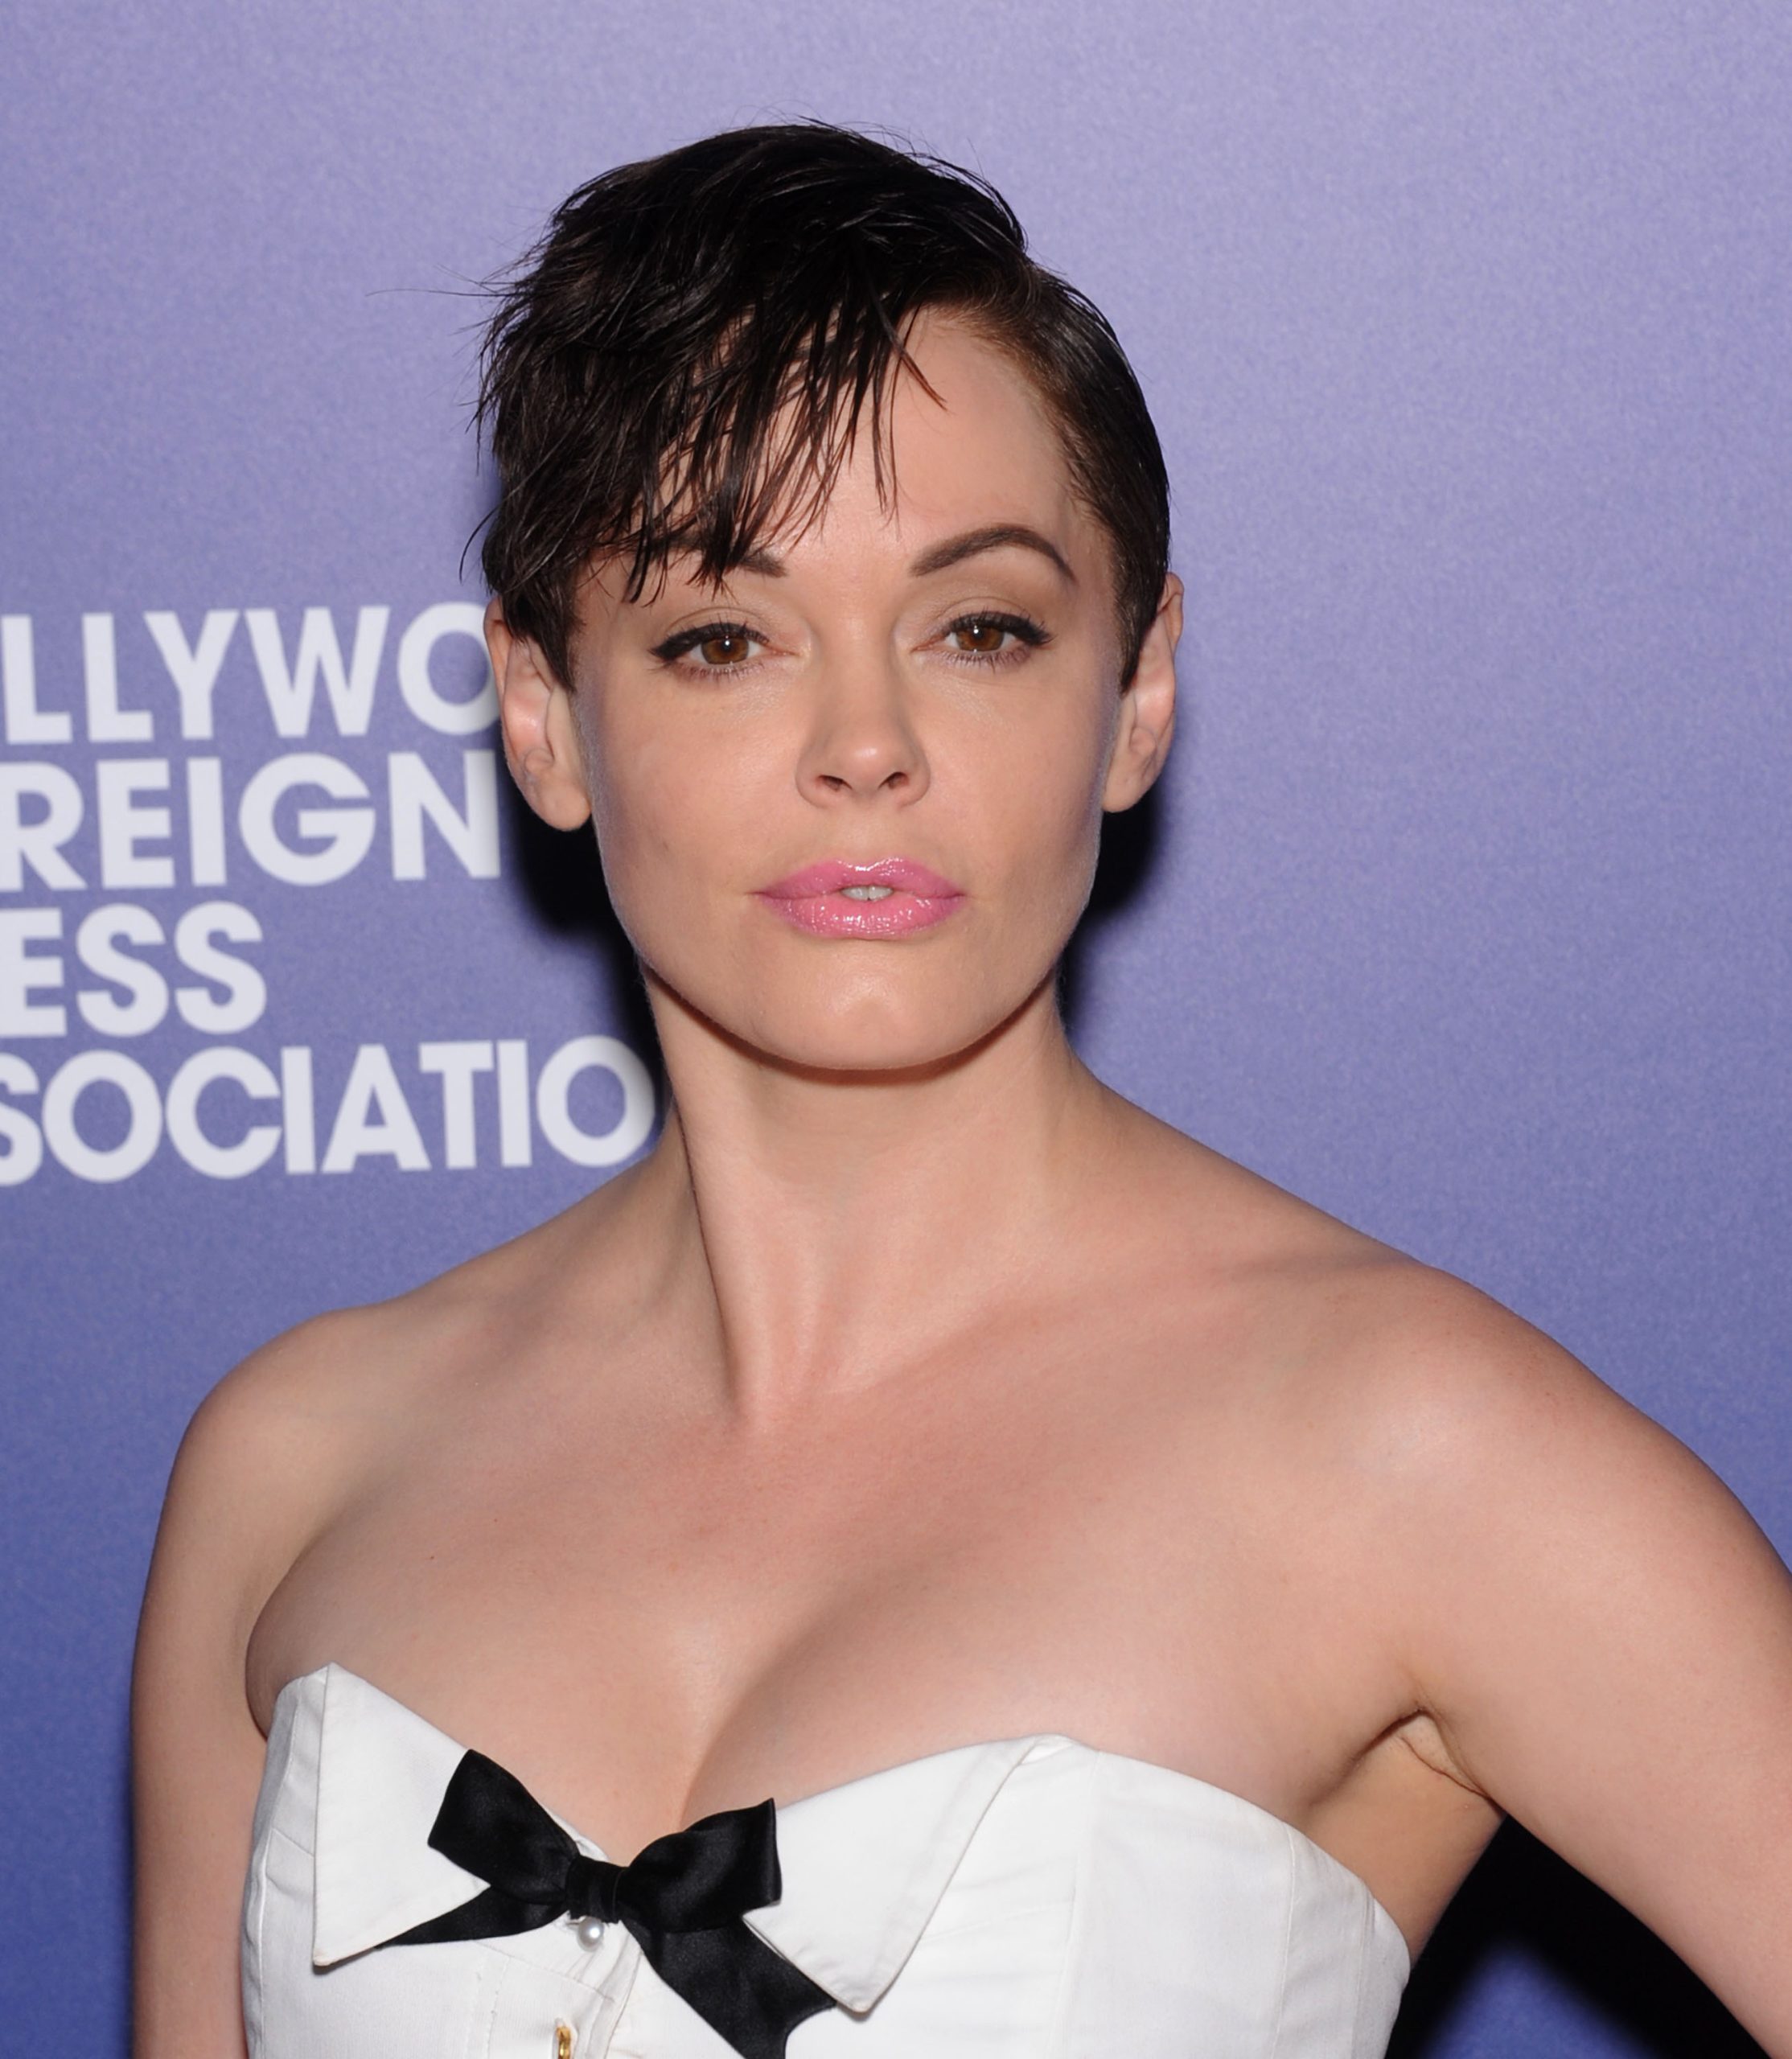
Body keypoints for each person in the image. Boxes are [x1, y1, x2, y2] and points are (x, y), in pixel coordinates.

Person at [131, 122, 1792, 2059]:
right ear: (542, 713)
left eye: (979, 627)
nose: (866, 744)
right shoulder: (298, 1463)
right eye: (722, 637)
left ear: (1136, 690)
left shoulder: (1415, 1446)